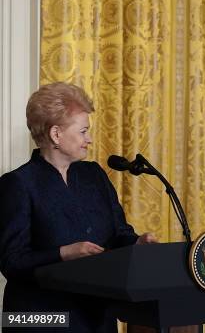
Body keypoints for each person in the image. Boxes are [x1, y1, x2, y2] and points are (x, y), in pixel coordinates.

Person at [0, 82, 157, 332]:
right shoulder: (17, 184)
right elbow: (12, 262)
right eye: (83, 131)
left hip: (97, 317)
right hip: (40, 319)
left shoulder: (94, 175)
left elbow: (119, 234)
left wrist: (137, 244)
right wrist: (64, 252)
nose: (90, 139)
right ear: (56, 135)